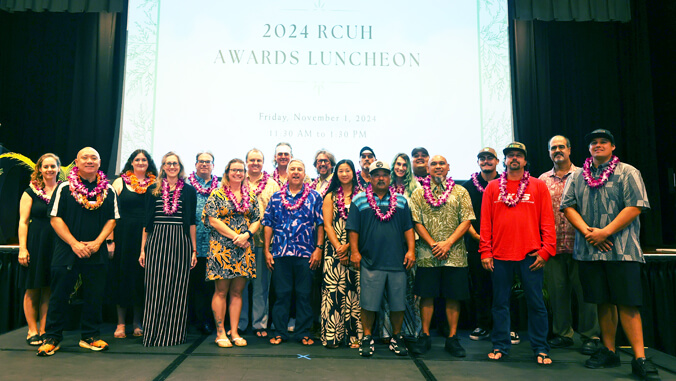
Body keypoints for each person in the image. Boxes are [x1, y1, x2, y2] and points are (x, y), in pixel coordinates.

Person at [561, 129, 659, 380]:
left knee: (627, 302)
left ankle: (640, 358)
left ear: (612, 147)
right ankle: (609, 351)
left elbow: (636, 206)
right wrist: (587, 232)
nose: (598, 145)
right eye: (593, 142)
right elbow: (568, 206)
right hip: (590, 251)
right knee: (603, 302)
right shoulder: (577, 176)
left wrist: (605, 232)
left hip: (622, 250)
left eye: (603, 141)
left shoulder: (628, 171)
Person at [479, 142, 556, 365]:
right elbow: (486, 224)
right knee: (500, 304)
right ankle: (500, 346)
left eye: (518, 156)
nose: (514, 159)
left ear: (524, 160)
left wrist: (547, 250)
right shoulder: (493, 187)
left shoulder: (538, 186)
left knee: (536, 303)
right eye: (510, 155)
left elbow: (547, 222)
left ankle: (541, 348)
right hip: (500, 255)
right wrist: (485, 251)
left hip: (532, 255)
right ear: (504, 160)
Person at [38, 147, 119, 356]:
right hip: (66, 250)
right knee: (59, 295)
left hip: (96, 251)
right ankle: (52, 338)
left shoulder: (108, 190)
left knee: (94, 295)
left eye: (94, 158)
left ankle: (90, 336)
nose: (89, 161)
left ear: (100, 163)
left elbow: (112, 219)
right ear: (76, 161)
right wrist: (74, 244)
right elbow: (55, 218)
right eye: (85, 157)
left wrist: (97, 243)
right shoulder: (64, 188)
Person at [347, 160, 416, 357]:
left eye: (384, 174)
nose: (380, 177)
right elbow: (353, 229)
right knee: (368, 303)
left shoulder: (401, 201)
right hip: (370, 261)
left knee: (398, 304)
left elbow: (408, 228)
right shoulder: (359, 200)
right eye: (376, 174)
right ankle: (367, 337)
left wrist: (411, 251)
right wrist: (355, 252)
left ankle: (397, 337)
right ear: (369, 177)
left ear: (389, 177)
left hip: (397, 261)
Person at [538, 136, 600, 354]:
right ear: (548, 152)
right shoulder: (542, 180)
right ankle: (563, 334)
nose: (557, 151)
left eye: (561, 147)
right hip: (553, 247)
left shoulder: (584, 176)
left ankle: (590, 336)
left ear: (570, 150)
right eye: (553, 148)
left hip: (581, 246)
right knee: (558, 293)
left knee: (586, 295)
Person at [409, 155, 474, 357]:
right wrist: (433, 243)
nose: (438, 167)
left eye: (441, 164)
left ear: (448, 167)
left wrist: (447, 243)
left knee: (453, 296)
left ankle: (452, 338)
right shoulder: (418, 193)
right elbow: (415, 222)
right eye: (434, 164)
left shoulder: (461, 191)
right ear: (428, 169)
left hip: (454, 254)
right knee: (426, 295)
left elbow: (467, 220)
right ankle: (425, 336)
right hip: (427, 254)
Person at [263, 159, 324, 346]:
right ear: (287, 173)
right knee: (281, 294)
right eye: (293, 169)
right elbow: (268, 224)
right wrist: (266, 250)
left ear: (305, 174)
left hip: (306, 254)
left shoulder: (314, 196)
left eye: (300, 169)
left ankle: (303, 332)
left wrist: (319, 249)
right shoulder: (275, 197)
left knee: (304, 295)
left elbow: (320, 224)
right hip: (281, 254)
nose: (296, 172)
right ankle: (280, 331)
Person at [139, 152, 197, 347]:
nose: (172, 166)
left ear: (180, 167)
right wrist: (143, 250)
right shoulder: (152, 190)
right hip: (157, 241)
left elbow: (191, 223)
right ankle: (153, 334)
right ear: (162, 167)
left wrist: (194, 250)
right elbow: (146, 223)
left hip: (180, 241)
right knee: (155, 288)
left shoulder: (189, 191)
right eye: (168, 163)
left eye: (175, 163)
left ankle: (173, 335)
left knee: (178, 288)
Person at [203, 159, 260, 348]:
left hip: (244, 248)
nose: (238, 173)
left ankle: (234, 332)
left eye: (241, 170)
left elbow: (257, 219)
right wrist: (237, 236)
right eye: (234, 170)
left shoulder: (250, 195)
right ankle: (220, 333)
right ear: (227, 172)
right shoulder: (217, 194)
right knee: (221, 291)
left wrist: (247, 235)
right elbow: (212, 220)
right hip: (222, 247)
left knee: (237, 292)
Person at [108, 149, 157, 339]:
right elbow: (111, 213)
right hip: (123, 235)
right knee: (122, 277)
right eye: (137, 159)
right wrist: (110, 240)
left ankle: (137, 322)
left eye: (144, 159)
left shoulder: (154, 184)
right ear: (131, 162)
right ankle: (121, 323)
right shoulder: (120, 182)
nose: (141, 162)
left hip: (147, 235)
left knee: (140, 278)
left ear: (149, 163)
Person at [18, 153, 60, 347]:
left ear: (59, 169)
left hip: (57, 242)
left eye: (53, 166)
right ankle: (32, 330)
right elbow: (23, 222)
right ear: (40, 169)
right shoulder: (30, 192)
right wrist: (23, 248)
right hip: (36, 241)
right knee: (33, 286)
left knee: (49, 288)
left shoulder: (64, 190)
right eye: (46, 167)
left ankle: (44, 329)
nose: (49, 170)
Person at [320, 159, 362, 348]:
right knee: (333, 292)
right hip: (333, 251)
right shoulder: (329, 196)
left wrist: (350, 247)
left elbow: (365, 225)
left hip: (356, 249)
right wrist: (339, 247)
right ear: (336, 174)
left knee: (355, 293)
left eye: (348, 170)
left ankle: (355, 337)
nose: (344, 174)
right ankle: (332, 336)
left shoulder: (361, 196)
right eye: (341, 171)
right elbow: (327, 225)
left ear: (354, 173)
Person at [240, 148, 279, 338]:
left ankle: (259, 324)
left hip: (263, 243)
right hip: (240, 243)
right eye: (252, 160)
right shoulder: (238, 180)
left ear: (264, 163)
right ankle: (239, 323)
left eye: (259, 160)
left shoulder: (272, 185)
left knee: (261, 286)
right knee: (239, 285)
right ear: (246, 162)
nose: (255, 163)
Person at [383, 153, 422, 342]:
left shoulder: (416, 188)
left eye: (404, 165)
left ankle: (410, 331)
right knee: (388, 289)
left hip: (409, 242)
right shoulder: (384, 186)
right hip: (389, 243)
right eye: (397, 164)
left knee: (410, 289)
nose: (400, 168)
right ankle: (387, 331)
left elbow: (416, 218)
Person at [462, 147, 499, 342]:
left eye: (489, 158)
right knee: (480, 287)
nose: (486, 161)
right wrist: (479, 237)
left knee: (502, 286)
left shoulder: (507, 184)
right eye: (482, 158)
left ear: (497, 161)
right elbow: (464, 218)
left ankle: (504, 327)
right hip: (476, 244)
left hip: (503, 245)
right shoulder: (468, 187)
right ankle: (483, 325)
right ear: (478, 162)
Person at [187, 151, 218, 335]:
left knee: (210, 286)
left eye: (208, 162)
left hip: (215, 243)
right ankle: (193, 321)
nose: (204, 164)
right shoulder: (187, 185)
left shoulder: (220, 186)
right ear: (196, 164)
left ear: (213, 165)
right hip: (191, 242)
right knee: (193, 284)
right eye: (201, 161)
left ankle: (208, 321)